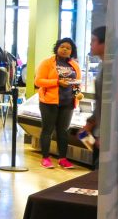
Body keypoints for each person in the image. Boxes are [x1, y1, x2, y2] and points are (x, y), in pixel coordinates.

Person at [35, 38, 81, 169]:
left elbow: (77, 82)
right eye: (62, 46)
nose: (65, 49)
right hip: (49, 102)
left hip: (68, 102)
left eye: (68, 48)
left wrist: (78, 94)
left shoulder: (74, 65)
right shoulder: (47, 62)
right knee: (47, 130)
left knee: (63, 131)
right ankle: (45, 158)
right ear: (57, 48)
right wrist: (56, 82)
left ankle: (63, 158)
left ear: (72, 51)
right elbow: (38, 81)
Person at [83, 26, 105, 168]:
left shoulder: (113, 68)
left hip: (107, 134)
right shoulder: (104, 66)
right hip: (100, 132)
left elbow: (109, 104)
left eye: (93, 40)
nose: (91, 44)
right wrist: (90, 124)